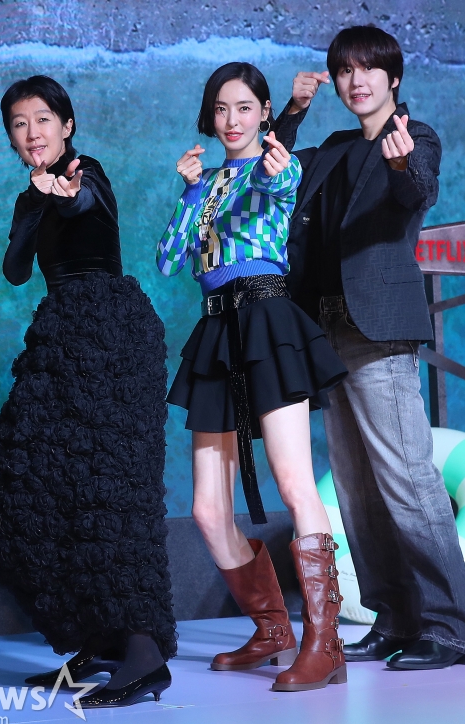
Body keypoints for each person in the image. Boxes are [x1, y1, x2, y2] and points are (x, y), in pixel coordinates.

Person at [271, 25, 465, 670]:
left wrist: (399, 162)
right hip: (325, 330)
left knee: (408, 480)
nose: (356, 80)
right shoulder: (333, 149)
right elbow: (271, 162)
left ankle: (450, 630)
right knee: (357, 487)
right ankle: (394, 619)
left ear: (393, 78)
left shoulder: (415, 137)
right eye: (344, 71)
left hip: (379, 331)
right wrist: (293, 111)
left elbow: (418, 190)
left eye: (368, 69)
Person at [0, 75, 175, 708]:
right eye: (18, 124)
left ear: (67, 126)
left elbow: (84, 203)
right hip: (62, 335)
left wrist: (61, 196)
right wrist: (36, 203)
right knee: (24, 486)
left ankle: (143, 654)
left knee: (110, 493)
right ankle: (103, 636)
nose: (31, 133)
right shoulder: (28, 195)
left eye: (42, 120)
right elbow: (15, 270)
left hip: (111, 331)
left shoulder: (90, 175)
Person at [157, 62, 349, 692]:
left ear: (265, 112)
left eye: (244, 107)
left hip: (267, 321)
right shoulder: (206, 184)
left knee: (294, 483)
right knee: (207, 509)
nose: (231, 120)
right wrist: (191, 192)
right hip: (217, 330)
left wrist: (272, 162)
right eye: (221, 109)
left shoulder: (276, 165)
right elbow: (169, 261)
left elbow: (277, 179)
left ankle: (326, 645)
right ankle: (272, 630)